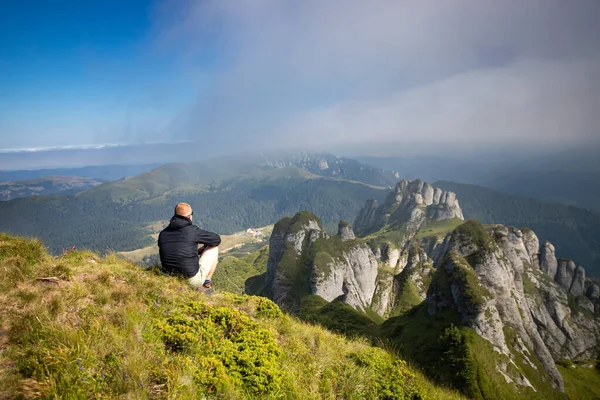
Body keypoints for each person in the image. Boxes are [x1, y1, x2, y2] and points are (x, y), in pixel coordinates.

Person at [158, 202, 221, 290]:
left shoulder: (163, 234)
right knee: (214, 248)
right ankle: (206, 282)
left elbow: (177, 251)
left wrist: (197, 251)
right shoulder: (192, 231)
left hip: (169, 277)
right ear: (189, 216)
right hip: (191, 280)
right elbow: (216, 240)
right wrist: (204, 247)